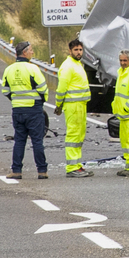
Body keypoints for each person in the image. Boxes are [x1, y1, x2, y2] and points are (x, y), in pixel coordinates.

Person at [2, 41, 48, 179]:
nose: (33, 53)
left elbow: (5, 91)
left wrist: (16, 100)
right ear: (25, 52)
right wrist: (41, 102)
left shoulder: (8, 70)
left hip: (17, 110)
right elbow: (43, 89)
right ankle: (42, 171)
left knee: (19, 141)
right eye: (31, 50)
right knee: (37, 141)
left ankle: (16, 170)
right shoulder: (32, 69)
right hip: (33, 109)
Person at [54, 38, 92, 177]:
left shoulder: (78, 64)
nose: (78, 52)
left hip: (80, 105)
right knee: (73, 135)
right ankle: (71, 167)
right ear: (70, 51)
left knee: (80, 135)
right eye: (76, 50)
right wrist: (58, 105)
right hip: (72, 105)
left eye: (80, 50)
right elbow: (61, 88)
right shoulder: (67, 66)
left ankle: (77, 165)